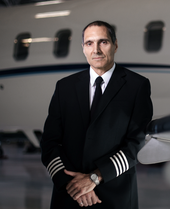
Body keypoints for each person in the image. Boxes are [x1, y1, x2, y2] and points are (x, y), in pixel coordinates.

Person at [41, 20, 153, 209]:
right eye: (89, 43)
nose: (96, 50)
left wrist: (94, 178)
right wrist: (73, 185)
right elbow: (49, 142)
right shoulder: (65, 87)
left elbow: (136, 144)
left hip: (113, 196)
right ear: (83, 48)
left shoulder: (137, 86)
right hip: (69, 196)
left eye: (103, 42)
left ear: (115, 45)